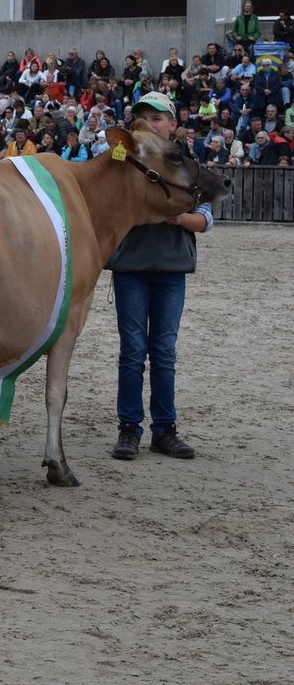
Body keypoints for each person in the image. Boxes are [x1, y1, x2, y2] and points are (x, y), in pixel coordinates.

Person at [107, 91, 214, 461]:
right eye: (143, 117)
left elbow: (207, 217)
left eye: (157, 118)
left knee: (164, 351)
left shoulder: (188, 163)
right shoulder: (124, 163)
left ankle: (164, 430)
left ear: (173, 125)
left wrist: (184, 219)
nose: (150, 124)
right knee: (133, 351)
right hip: (131, 267)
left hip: (170, 268)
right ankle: (129, 428)